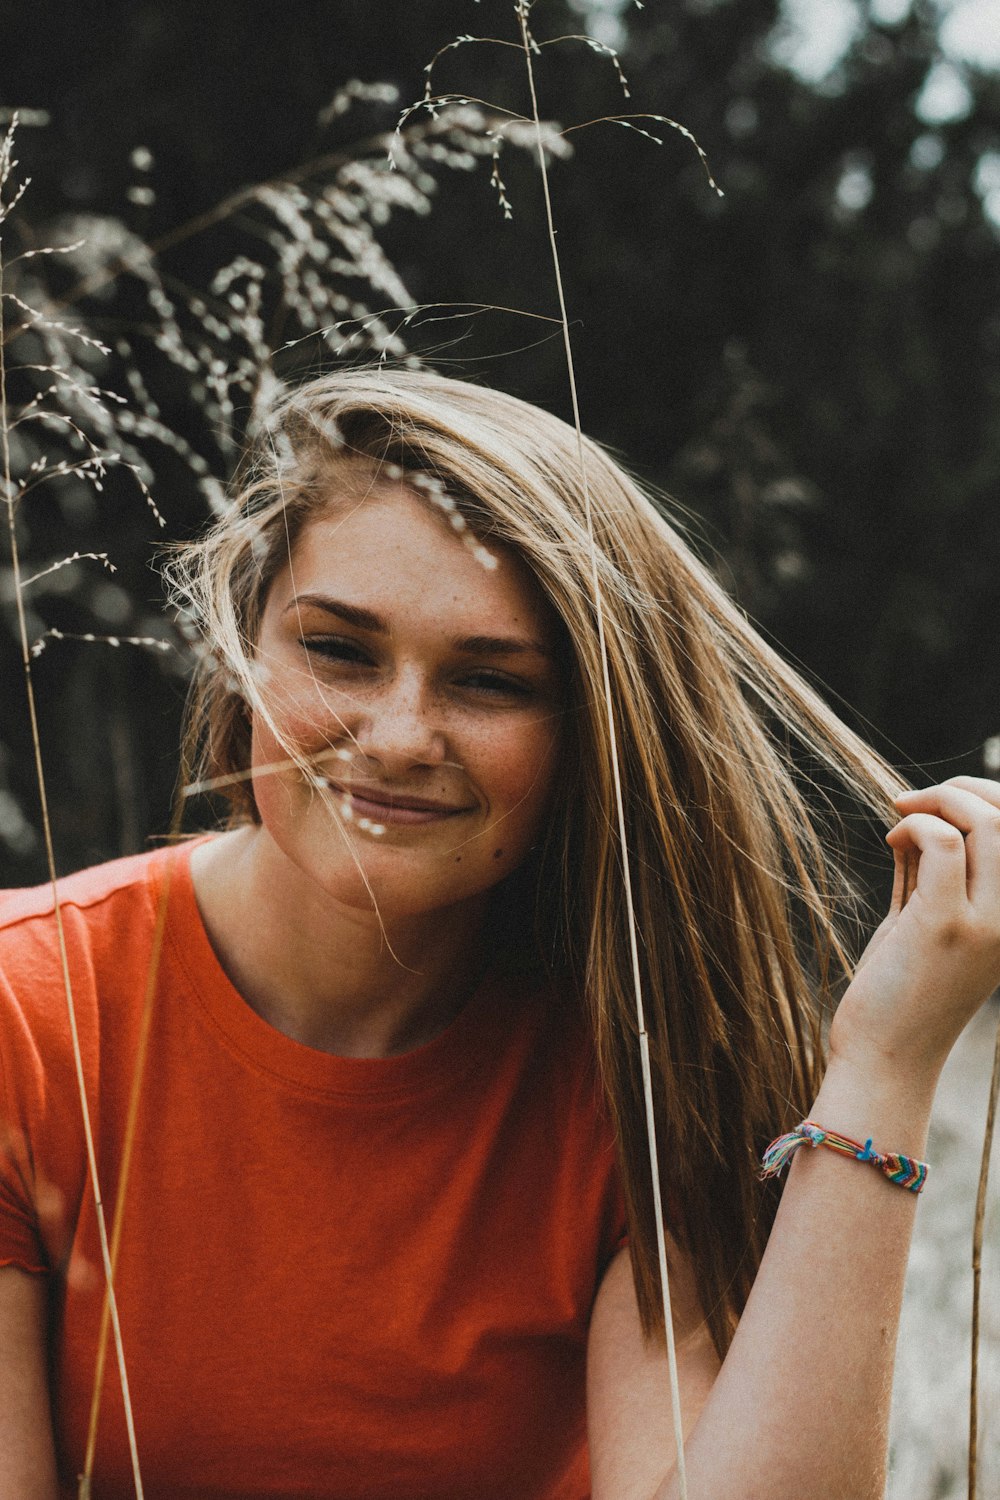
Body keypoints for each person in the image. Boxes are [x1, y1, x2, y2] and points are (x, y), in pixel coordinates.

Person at [1, 367, 997, 1500]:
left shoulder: (636, 1062)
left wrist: (884, 1065)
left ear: (589, 736)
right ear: (241, 646)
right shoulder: (26, 1017)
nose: (398, 733)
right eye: (339, 650)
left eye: (488, 681)